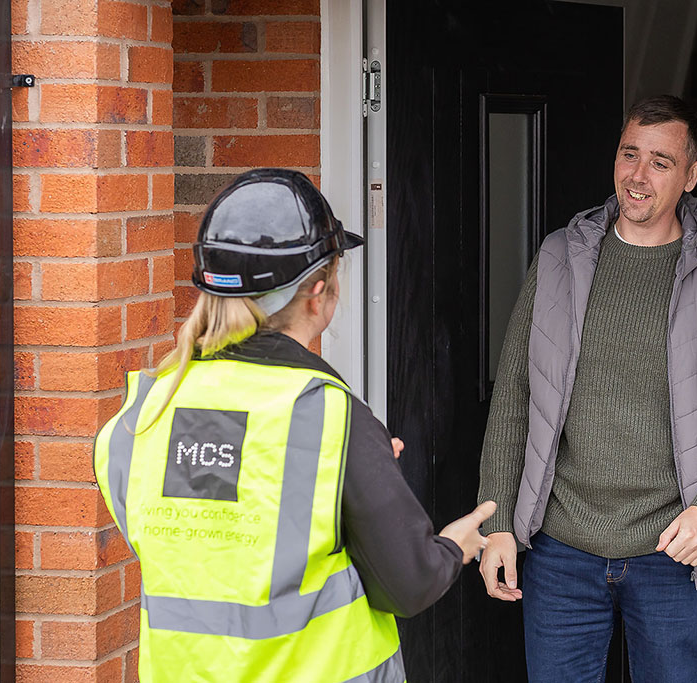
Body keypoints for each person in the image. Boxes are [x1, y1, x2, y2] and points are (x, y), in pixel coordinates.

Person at [94, 168, 495, 683]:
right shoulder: (328, 416)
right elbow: (407, 584)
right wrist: (452, 547)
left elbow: (207, 544)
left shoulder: (142, 413)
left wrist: (340, 485)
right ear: (318, 293)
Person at [476, 95, 697, 682]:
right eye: (629, 154)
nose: (638, 176)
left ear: (691, 176)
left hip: (673, 553)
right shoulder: (558, 258)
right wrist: (496, 524)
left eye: (660, 162)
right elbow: (516, 393)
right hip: (560, 550)